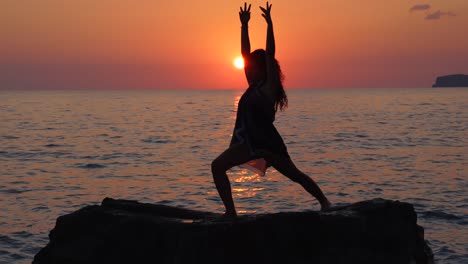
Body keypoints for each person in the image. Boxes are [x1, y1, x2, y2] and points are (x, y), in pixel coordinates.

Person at [211, 2, 331, 217]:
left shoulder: (268, 87)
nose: (250, 67)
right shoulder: (253, 85)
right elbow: (244, 53)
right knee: (217, 166)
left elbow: (270, 53)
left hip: (267, 144)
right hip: (247, 142)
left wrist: (269, 23)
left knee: (295, 175)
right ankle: (231, 213)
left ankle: (324, 202)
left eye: (254, 65)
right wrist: (244, 25)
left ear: (263, 68)